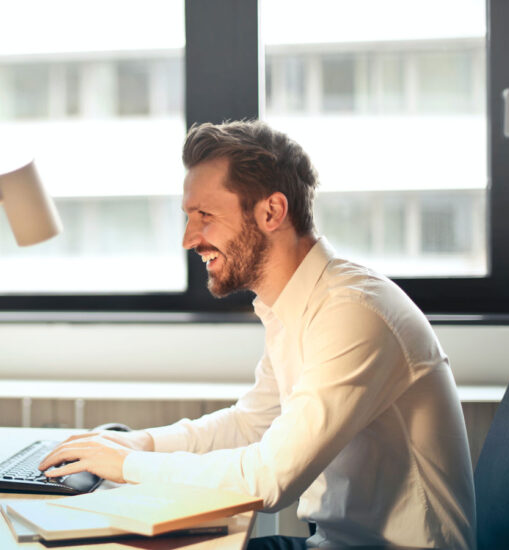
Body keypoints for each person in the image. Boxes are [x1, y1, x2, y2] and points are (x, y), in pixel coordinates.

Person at [38, 120, 476, 549]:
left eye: (204, 216)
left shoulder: (353, 313)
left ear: (272, 212)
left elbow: (270, 480)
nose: (189, 238)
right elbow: (251, 423)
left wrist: (129, 464)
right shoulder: (294, 304)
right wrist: (139, 442)